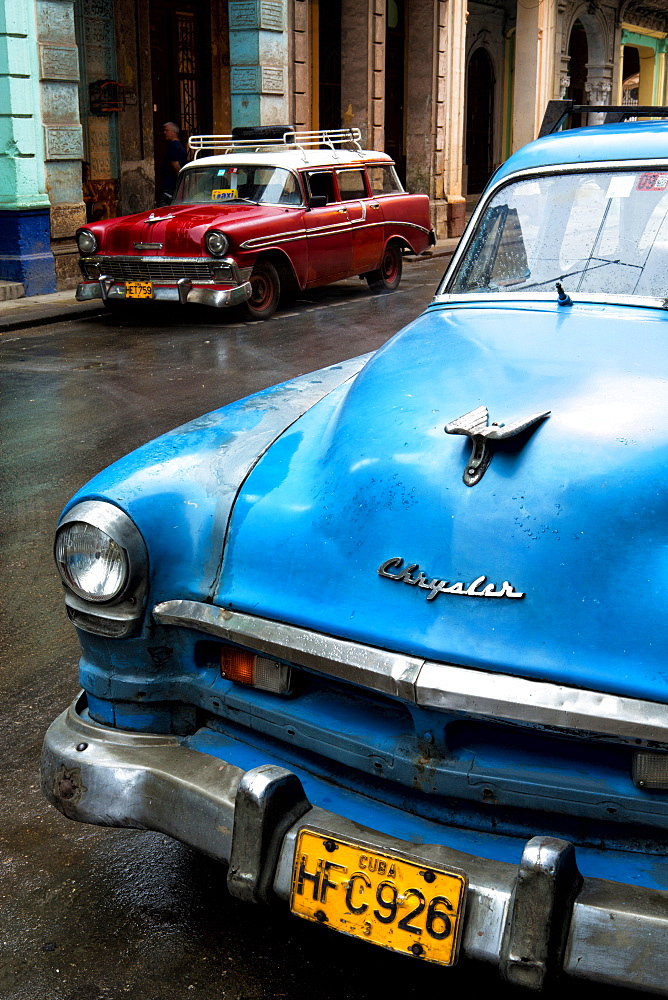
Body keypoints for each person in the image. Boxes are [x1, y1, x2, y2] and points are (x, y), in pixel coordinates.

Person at [160, 122, 187, 205]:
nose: (165, 133)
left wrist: (181, 180)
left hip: (171, 184)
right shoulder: (179, 145)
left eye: (167, 130)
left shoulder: (173, 146)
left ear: (174, 132)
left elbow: (175, 164)